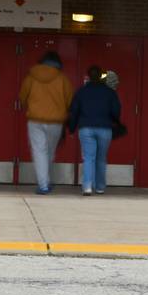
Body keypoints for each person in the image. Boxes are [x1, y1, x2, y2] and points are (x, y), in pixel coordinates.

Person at [19, 50, 73, 194]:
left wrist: (31, 106)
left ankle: (43, 185)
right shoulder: (63, 79)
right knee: (50, 151)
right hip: (56, 121)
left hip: (35, 120)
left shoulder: (31, 77)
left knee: (39, 151)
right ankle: (46, 181)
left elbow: (22, 96)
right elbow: (70, 100)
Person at [68, 65, 122, 196]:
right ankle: (100, 187)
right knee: (101, 158)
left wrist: (71, 128)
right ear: (101, 76)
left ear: (88, 76)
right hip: (104, 128)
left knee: (88, 158)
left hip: (86, 128)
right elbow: (116, 111)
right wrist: (113, 120)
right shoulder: (109, 92)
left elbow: (74, 111)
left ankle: (87, 186)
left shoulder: (81, 91)